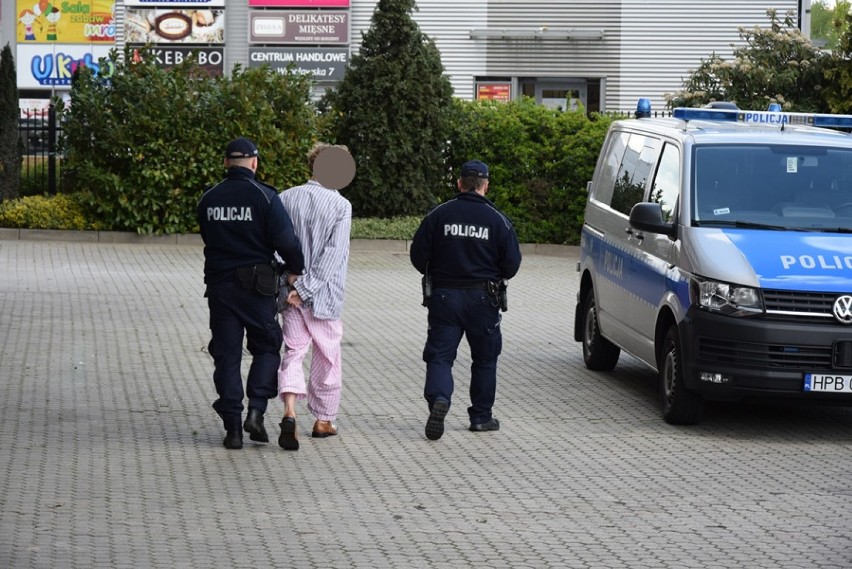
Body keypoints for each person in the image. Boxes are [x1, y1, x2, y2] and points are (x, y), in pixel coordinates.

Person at [197, 137, 305, 450]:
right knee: (267, 347)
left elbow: (207, 234)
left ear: (225, 163)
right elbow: (286, 241)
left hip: (220, 288)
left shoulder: (209, 198)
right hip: (258, 287)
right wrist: (296, 268)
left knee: (227, 355)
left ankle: (232, 428)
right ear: (255, 163)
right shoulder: (265, 196)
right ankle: (256, 411)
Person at [410, 159, 522, 441]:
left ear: (459, 183)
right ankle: (481, 418)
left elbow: (417, 255)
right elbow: (512, 265)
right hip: (484, 299)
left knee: (440, 356)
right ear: (485, 185)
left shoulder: (439, 215)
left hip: (444, 297)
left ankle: (440, 399)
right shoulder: (498, 220)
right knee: (485, 359)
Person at [276, 143, 354, 451]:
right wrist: (307, 288)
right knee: (327, 356)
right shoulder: (340, 206)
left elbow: (273, 243)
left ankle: (289, 412)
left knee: (293, 352)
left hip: (289, 291)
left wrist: (291, 281)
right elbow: (333, 255)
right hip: (325, 296)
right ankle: (323, 419)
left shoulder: (285, 197)